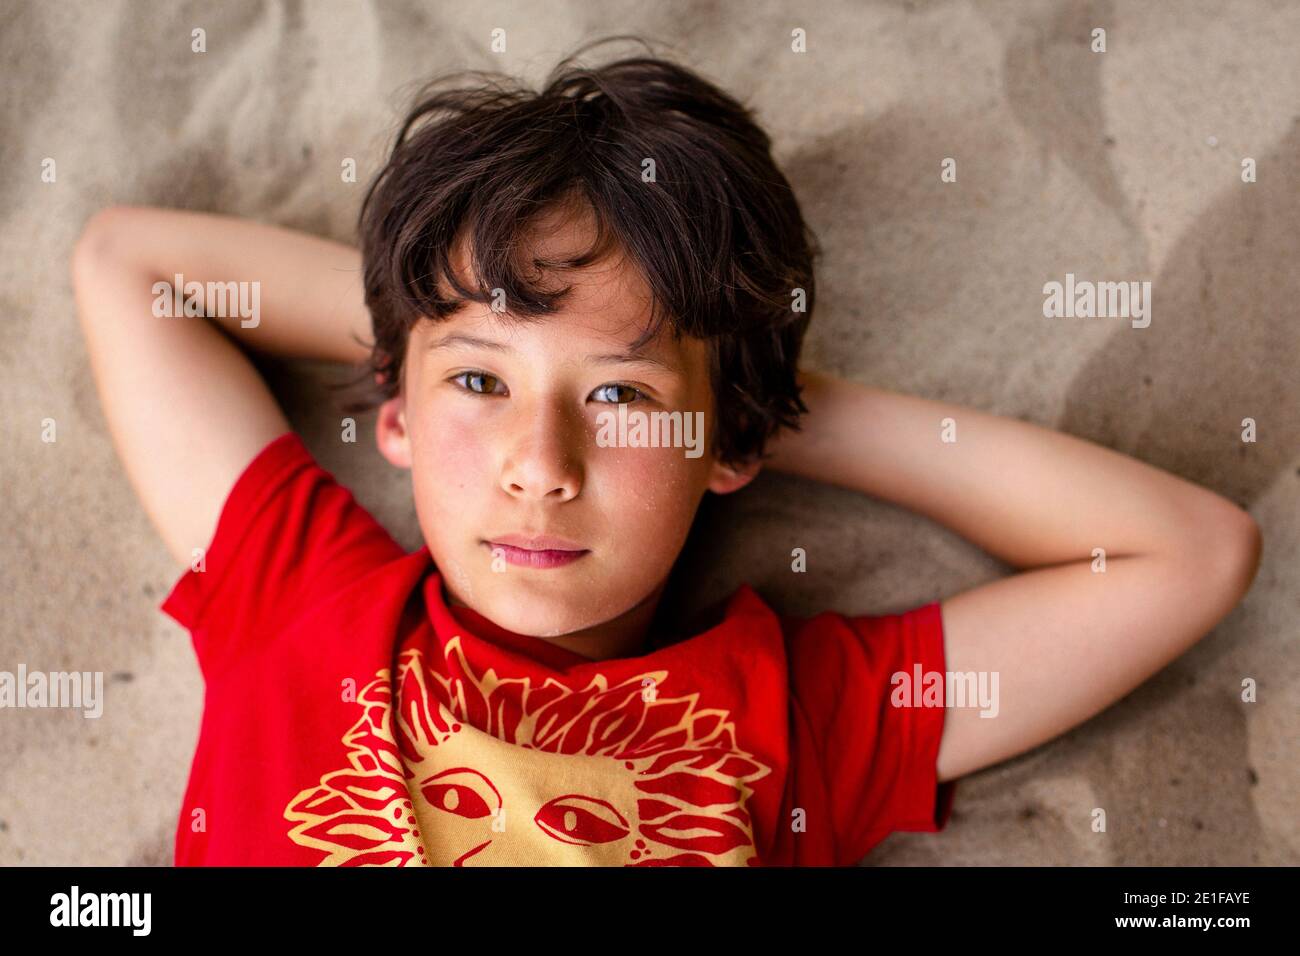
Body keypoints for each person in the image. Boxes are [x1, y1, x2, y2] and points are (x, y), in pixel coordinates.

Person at [71, 42, 1261, 866]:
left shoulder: (789, 719)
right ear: (395, 409)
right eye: (478, 385)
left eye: (621, 397)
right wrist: (436, 313)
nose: (541, 462)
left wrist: (756, 393)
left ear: (729, 443)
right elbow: (131, 265)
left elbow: (1188, 552)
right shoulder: (303, 594)